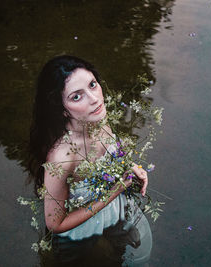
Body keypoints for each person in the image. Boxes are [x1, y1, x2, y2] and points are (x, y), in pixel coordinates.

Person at [28, 55, 152, 266]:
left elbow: (116, 155)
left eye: (93, 85)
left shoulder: (98, 119)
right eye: (77, 97)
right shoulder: (62, 157)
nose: (94, 98)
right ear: (61, 108)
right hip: (79, 231)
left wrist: (131, 167)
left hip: (116, 211)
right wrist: (115, 191)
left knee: (136, 253)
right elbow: (55, 224)